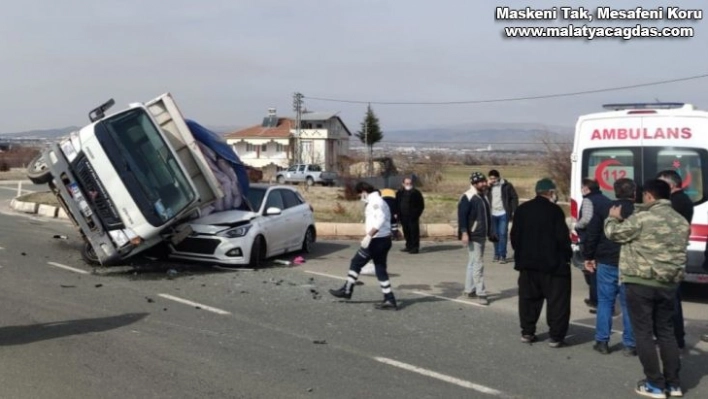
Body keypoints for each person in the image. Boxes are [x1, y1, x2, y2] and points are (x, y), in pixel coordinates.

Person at [604, 179, 690, 398]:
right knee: (666, 332)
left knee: (643, 333)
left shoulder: (641, 218)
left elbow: (614, 234)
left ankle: (654, 383)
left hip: (640, 282)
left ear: (650, 196)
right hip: (669, 284)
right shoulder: (681, 221)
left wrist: (612, 219)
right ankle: (673, 383)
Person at [510, 178, 572, 347]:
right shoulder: (555, 212)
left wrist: (522, 254)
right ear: (551, 193)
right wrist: (567, 256)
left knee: (528, 300)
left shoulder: (522, 210)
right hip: (553, 265)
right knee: (557, 302)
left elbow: (514, 237)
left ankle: (527, 332)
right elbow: (562, 238)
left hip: (527, 265)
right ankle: (556, 336)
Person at [582, 178, 637, 356]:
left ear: (615, 192)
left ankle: (602, 341)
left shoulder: (605, 208)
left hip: (606, 260)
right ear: (634, 192)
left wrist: (588, 256)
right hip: (630, 262)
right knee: (628, 304)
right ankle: (630, 344)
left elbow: (593, 234)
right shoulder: (639, 211)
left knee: (605, 302)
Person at [329, 182, 398, 310]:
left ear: (364, 191)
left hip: (377, 240)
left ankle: (347, 290)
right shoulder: (379, 200)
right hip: (384, 239)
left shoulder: (376, 201)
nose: (361, 196)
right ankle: (389, 298)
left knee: (356, 262)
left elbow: (381, 218)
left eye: (360, 194)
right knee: (380, 268)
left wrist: (369, 235)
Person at [657, 169, 693, 350]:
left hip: (670, 256)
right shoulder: (683, 199)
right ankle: (676, 337)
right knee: (673, 297)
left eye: (661, 184)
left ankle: (674, 338)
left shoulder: (674, 203)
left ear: (670, 184)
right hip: (676, 254)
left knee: (669, 300)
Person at [457, 172, 496, 306]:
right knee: (478, 264)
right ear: (474, 184)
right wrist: (464, 233)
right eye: (481, 182)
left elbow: (487, 216)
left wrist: (491, 232)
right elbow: (462, 216)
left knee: (473, 262)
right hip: (473, 235)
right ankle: (481, 293)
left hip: (481, 234)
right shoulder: (468, 197)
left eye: (484, 181)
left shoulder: (482, 196)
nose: (484, 183)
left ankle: (469, 290)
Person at [575, 178, 611, 313]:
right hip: (605, 239)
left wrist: (575, 226)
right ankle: (603, 300)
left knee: (592, 271)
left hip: (591, 238)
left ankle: (595, 300)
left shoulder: (588, 200)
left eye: (582, 187)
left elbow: (586, 219)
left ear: (586, 189)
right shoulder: (605, 199)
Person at [486, 169, 519, 264]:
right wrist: (487, 186)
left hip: (503, 213)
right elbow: (482, 196)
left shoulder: (506, 186)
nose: (493, 180)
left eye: (494, 178)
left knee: (503, 234)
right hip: (492, 213)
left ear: (498, 177)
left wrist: (514, 210)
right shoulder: (488, 187)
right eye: (491, 178)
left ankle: (502, 255)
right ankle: (496, 254)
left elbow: (514, 197)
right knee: (494, 235)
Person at [396, 177, 425, 254]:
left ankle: (415, 248)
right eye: (406, 183)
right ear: (403, 184)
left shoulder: (416, 193)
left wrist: (416, 214)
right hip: (403, 216)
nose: (408, 185)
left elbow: (421, 205)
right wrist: (397, 214)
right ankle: (408, 246)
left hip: (412, 216)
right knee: (406, 231)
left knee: (414, 232)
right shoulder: (399, 192)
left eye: (410, 183)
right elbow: (397, 203)